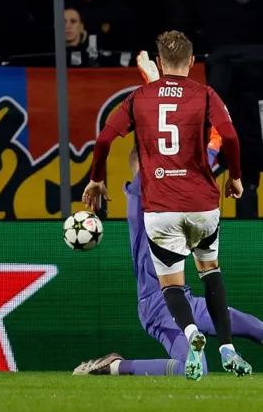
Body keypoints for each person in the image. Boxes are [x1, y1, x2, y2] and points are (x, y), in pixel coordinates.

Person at [73, 145, 263, 377]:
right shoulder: (139, 194)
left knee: (251, 326)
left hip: (184, 300)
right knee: (195, 370)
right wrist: (212, 142)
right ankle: (115, 367)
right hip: (157, 309)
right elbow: (182, 154)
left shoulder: (162, 192)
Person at [84, 31, 250, 381]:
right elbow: (230, 137)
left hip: (162, 211)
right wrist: (235, 176)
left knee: (172, 285)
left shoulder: (139, 99)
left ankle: (192, 334)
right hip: (203, 206)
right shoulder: (205, 95)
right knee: (211, 273)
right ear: (193, 63)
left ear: (160, 63)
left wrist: (96, 178)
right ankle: (227, 347)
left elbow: (103, 139)